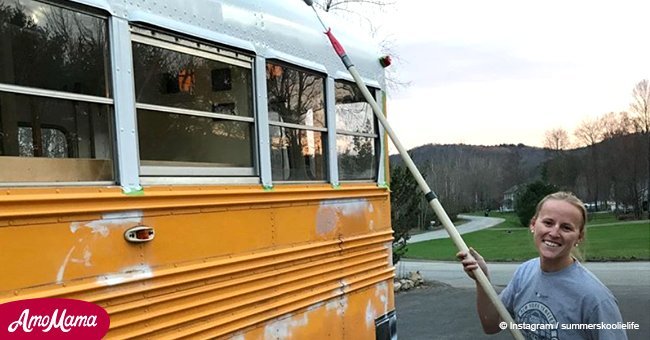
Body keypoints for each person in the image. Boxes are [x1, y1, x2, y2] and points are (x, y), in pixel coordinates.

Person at [457, 191, 627, 339]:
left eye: (566, 227)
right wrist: (481, 279)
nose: (554, 233)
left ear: (579, 237)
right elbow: (491, 325)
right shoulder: (525, 272)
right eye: (548, 223)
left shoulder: (595, 298)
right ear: (533, 224)